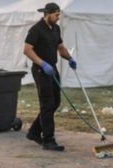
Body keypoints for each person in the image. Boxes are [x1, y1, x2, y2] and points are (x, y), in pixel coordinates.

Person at [23, 2, 77, 152]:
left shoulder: (56, 28)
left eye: (59, 14)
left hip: (52, 69)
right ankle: (48, 140)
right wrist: (42, 64)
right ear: (47, 14)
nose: (58, 17)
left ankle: (34, 132)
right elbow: (27, 50)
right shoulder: (36, 29)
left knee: (56, 102)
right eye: (56, 15)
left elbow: (60, 48)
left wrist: (70, 58)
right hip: (41, 71)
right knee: (47, 104)